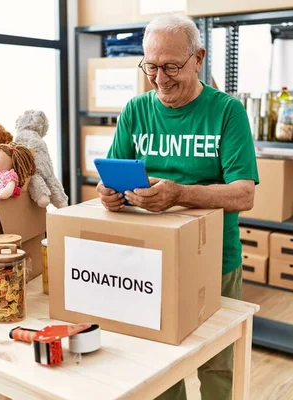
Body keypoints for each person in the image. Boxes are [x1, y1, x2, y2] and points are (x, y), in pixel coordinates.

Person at [96, 13, 259, 400]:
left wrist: (179, 193)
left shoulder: (227, 112)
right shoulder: (135, 111)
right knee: (157, 363)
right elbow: (112, 175)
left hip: (213, 261)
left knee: (217, 364)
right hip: (147, 263)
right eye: (151, 66)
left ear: (198, 58)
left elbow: (244, 194)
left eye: (171, 66)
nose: (159, 78)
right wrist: (109, 194)